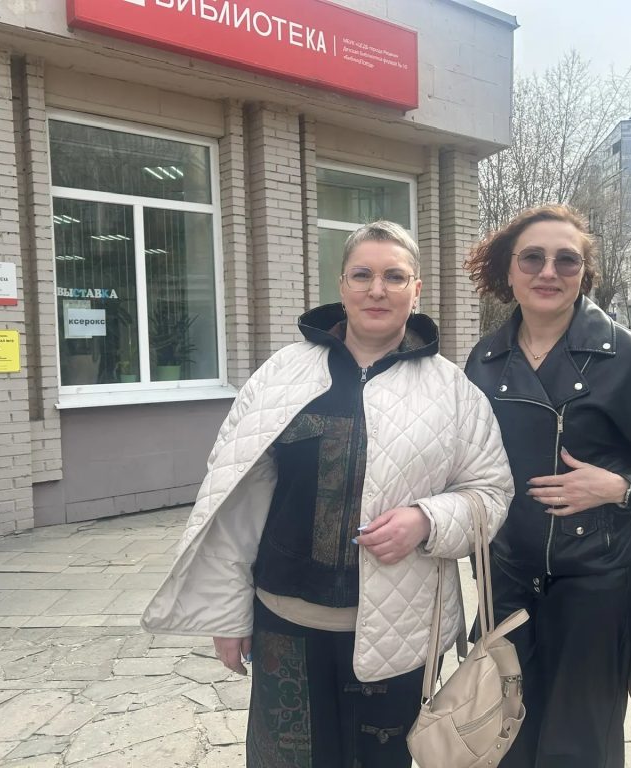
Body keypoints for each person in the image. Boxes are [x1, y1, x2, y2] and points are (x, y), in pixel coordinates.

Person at [143, 221, 514, 767]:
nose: (377, 289)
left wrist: (427, 520)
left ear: (416, 290)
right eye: (362, 275)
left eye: (394, 276)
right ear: (342, 286)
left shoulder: (453, 391)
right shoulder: (281, 376)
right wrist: (227, 614)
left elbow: (492, 493)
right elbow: (234, 499)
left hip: (401, 633)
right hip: (285, 625)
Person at [463, 205, 631, 768]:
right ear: (508, 270)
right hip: (505, 581)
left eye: (566, 260)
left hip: (599, 583)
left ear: (583, 273)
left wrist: (621, 487)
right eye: (532, 258)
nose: (549, 271)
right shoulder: (486, 357)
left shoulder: (627, 354)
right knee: (501, 735)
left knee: (580, 745)